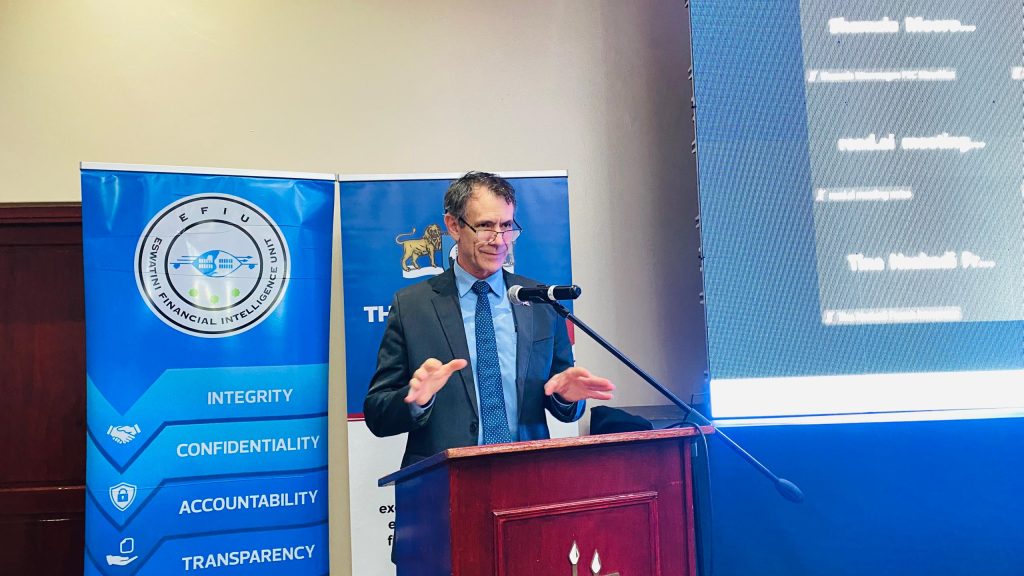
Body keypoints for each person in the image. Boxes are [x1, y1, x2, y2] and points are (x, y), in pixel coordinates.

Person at [363, 171, 614, 467]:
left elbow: (561, 402)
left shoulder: (541, 302)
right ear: (453, 226)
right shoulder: (411, 306)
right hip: (445, 480)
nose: (499, 241)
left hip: (527, 476)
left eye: (506, 226)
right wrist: (416, 400)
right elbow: (377, 414)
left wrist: (567, 398)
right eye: (485, 226)